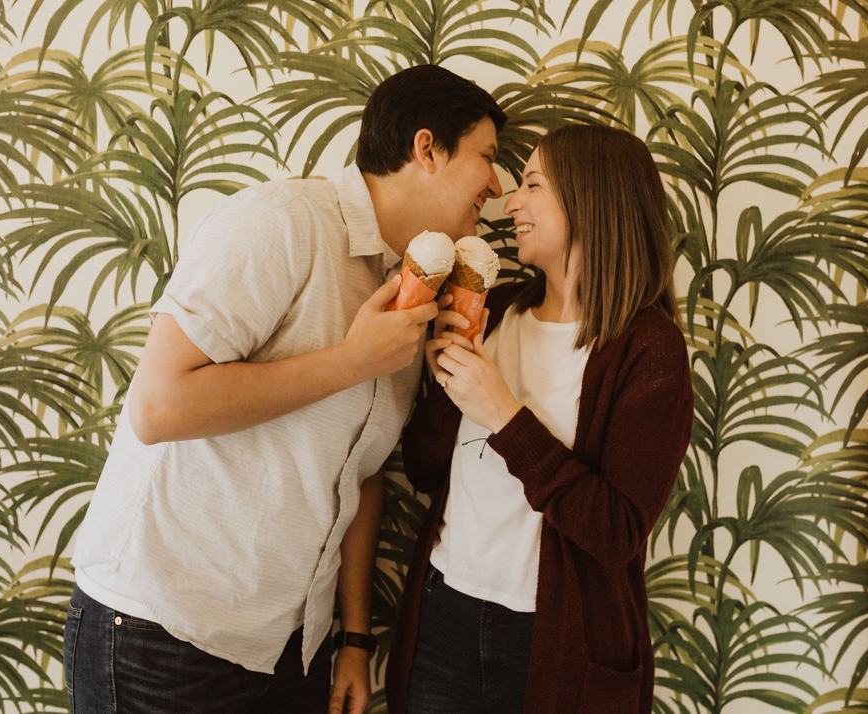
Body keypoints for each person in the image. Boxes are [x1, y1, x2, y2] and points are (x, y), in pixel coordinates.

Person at [63, 64, 506, 714]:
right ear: (427, 148)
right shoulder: (283, 223)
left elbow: (359, 472)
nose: (495, 187)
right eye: (488, 158)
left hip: (290, 654)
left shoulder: (410, 291)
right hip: (164, 633)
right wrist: (352, 362)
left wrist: (352, 638)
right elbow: (159, 407)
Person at [385, 123, 694, 714]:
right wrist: (445, 390)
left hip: (553, 643)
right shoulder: (495, 311)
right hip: (443, 614)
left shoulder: (648, 349)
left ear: (591, 198)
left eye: (532, 184)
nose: (510, 202)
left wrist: (504, 413)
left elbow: (616, 533)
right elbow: (424, 472)